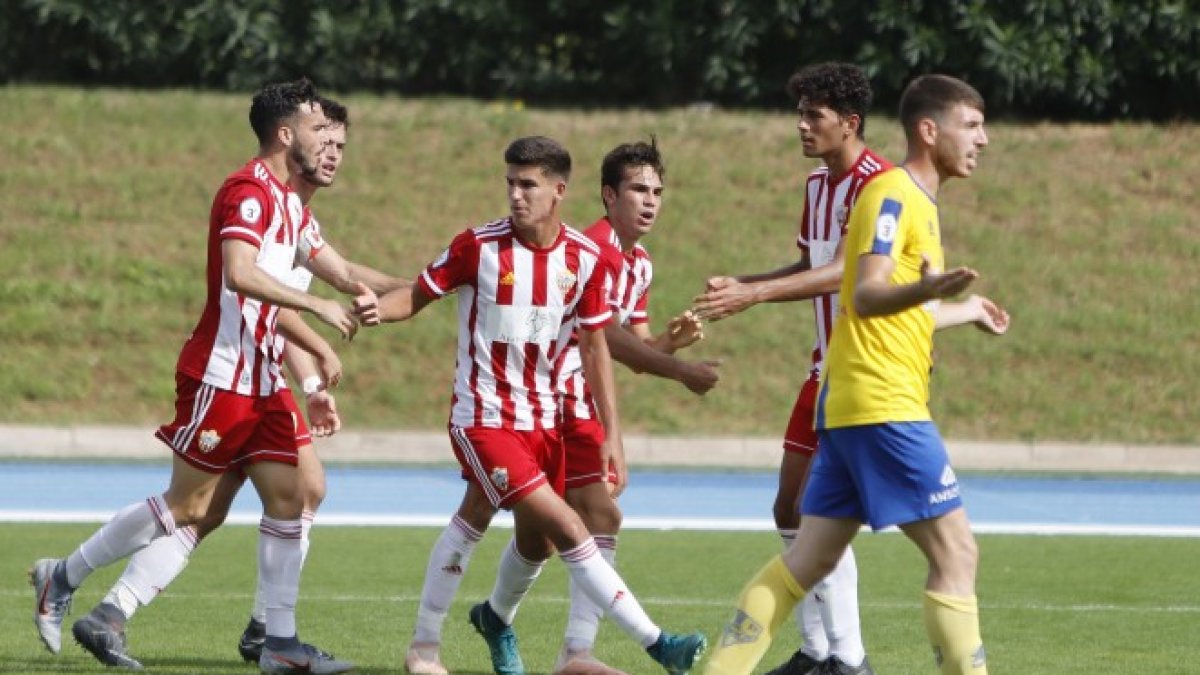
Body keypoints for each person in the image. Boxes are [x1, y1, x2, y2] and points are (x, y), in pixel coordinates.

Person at [30, 79, 372, 675]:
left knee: (293, 495)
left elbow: (341, 272)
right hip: (223, 375)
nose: (328, 143)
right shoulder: (248, 191)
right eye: (318, 130)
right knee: (189, 507)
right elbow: (240, 274)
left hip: (262, 383)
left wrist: (431, 285)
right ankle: (63, 576)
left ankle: (278, 644)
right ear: (285, 134)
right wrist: (317, 310)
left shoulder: (290, 203)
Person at [702, 74, 1009, 675]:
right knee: (957, 553)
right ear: (929, 130)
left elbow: (898, 310)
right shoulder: (894, 194)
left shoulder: (911, 197)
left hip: (849, 403)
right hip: (884, 405)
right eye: (972, 126)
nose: (984, 139)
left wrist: (963, 308)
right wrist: (927, 288)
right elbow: (865, 294)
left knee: (804, 562)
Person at [366, 136, 708, 675]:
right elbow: (416, 294)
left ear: (558, 191)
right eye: (511, 183)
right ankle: (657, 644)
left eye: (527, 185)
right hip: (485, 417)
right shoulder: (478, 247)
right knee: (570, 524)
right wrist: (370, 312)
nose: (515, 195)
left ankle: (490, 627)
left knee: (526, 530)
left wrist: (614, 434)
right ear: (607, 195)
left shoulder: (585, 258)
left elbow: (597, 346)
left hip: (549, 418)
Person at [693, 62, 888, 675]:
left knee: (819, 511)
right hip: (824, 368)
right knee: (788, 509)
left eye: (814, 115)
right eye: (799, 114)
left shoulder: (880, 185)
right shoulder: (817, 186)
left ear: (849, 122)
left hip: (864, 371)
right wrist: (744, 283)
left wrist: (752, 296)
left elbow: (850, 270)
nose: (801, 125)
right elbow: (812, 265)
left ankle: (850, 660)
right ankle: (817, 651)